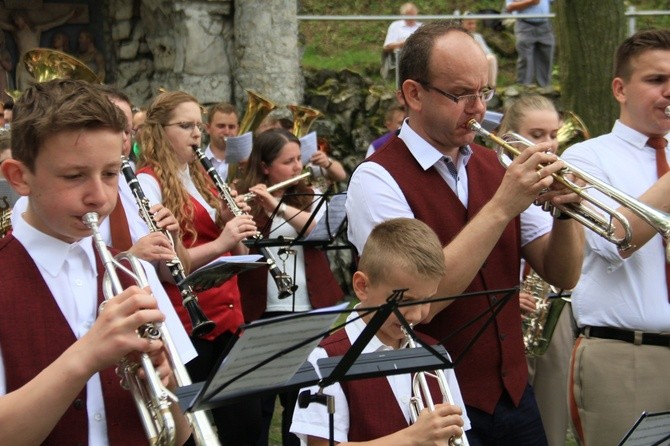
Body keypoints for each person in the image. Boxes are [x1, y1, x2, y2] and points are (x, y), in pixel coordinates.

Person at [345, 20, 584, 445]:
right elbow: (422, 304)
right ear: (413, 94)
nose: (478, 109)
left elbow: (563, 275)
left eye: (484, 92)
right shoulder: (376, 179)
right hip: (434, 402)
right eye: (460, 94)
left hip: (513, 393)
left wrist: (569, 214)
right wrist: (502, 206)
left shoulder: (494, 165)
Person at [0, 78, 196, 445]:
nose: (100, 197)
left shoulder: (128, 273)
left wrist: (165, 381)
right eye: (74, 176)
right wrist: (87, 356)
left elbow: (183, 431)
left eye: (110, 174)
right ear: (19, 177)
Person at [561, 29, 670, 446]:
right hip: (626, 355)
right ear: (620, 88)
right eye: (656, 80)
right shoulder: (587, 157)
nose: (668, 92)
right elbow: (613, 240)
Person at [135, 90, 262, 445]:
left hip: (230, 317)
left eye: (197, 127)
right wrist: (222, 240)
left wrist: (231, 223)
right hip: (191, 323)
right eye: (185, 125)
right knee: (194, 431)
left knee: (246, 426)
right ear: (160, 130)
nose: (196, 134)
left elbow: (239, 251)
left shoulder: (203, 176)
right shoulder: (148, 181)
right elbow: (167, 267)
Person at [291, 217, 469, 445]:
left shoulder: (434, 354)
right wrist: (412, 438)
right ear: (362, 286)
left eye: (427, 299)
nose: (417, 315)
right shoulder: (323, 360)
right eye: (404, 300)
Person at [235, 128, 345, 446]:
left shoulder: (305, 195)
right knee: (262, 405)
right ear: (266, 167)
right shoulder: (248, 200)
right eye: (288, 161)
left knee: (302, 401)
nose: (298, 167)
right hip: (264, 311)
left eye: (298, 159)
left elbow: (317, 230)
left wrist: (278, 205)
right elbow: (240, 253)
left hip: (308, 311)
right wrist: (240, 212)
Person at [498, 95, 575, 446]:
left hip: (548, 308)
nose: (548, 144)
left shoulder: (557, 180)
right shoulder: (497, 177)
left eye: (554, 134)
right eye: (537, 134)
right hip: (505, 314)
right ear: (510, 137)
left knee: (550, 424)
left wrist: (569, 212)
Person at [0, 9, 79, 90]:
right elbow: (2, 24)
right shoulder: (15, 31)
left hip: (35, 66)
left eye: (17, 19)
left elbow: (54, 23)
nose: (16, 22)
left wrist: (69, 16)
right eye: (14, 21)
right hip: (23, 67)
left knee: (36, 92)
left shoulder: (37, 29)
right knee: (23, 93)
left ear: (24, 18)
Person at [504, 0, 555, 88]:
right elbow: (510, 7)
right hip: (525, 24)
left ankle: (544, 88)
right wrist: (531, 2)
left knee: (546, 56)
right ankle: (523, 88)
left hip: (544, 25)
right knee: (526, 58)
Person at [381, 3, 422, 81]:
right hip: (402, 52)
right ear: (402, 14)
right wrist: (403, 43)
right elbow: (386, 46)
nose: (410, 17)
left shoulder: (421, 26)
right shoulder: (396, 26)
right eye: (407, 14)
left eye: (412, 14)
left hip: (420, 51)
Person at [204, 102, 240, 180]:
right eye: (221, 126)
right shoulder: (195, 163)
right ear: (208, 128)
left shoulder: (244, 165)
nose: (227, 132)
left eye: (231, 127)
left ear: (238, 129)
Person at [462, 14, 499, 88]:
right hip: (464, 62)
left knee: (491, 58)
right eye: (469, 24)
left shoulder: (478, 37)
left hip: (479, 60)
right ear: (463, 24)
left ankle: (491, 87)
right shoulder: (458, 37)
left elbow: (487, 52)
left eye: (474, 24)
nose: (472, 26)